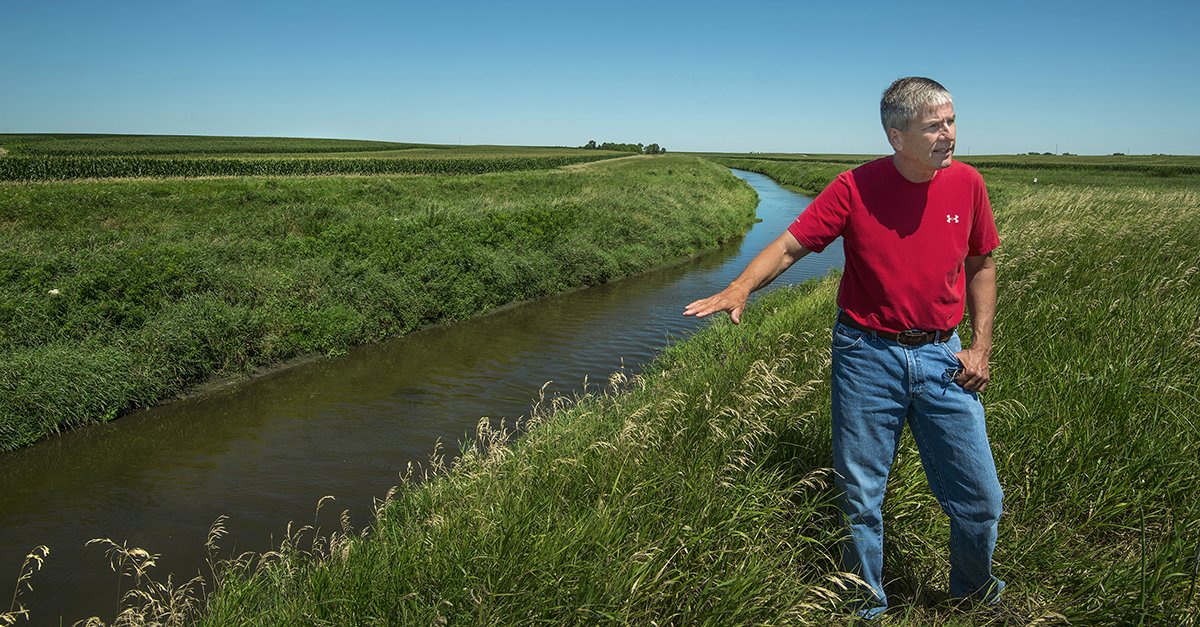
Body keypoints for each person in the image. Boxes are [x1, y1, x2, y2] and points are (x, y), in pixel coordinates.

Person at [683, 77, 1004, 618]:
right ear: (896, 135)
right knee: (862, 494)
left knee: (981, 497)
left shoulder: (968, 184)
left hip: (944, 356)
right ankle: (866, 604)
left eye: (951, 121)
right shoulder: (855, 187)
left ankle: (973, 594)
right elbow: (791, 246)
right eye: (934, 126)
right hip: (866, 355)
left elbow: (981, 263)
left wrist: (980, 346)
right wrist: (740, 287)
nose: (949, 134)